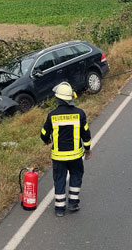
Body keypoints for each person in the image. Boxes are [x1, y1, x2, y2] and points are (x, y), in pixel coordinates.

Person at [40, 82, 92, 217]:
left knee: (59, 179)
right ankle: (73, 203)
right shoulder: (79, 114)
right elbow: (86, 134)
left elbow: (44, 133)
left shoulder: (52, 115)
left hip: (59, 157)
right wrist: (87, 149)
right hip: (75, 156)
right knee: (76, 175)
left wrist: (47, 141)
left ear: (57, 99)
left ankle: (59, 208)